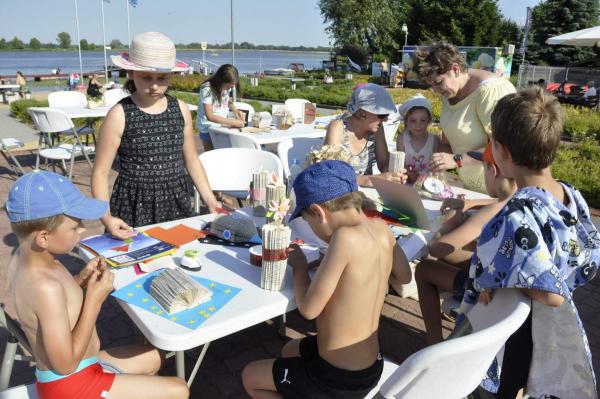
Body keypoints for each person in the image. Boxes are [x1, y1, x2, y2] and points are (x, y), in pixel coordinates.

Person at [458, 87, 599, 398]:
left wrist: (506, 279)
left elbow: (552, 296)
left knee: (507, 386)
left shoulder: (516, 215)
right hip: (544, 329)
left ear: (502, 152)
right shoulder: (569, 193)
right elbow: (587, 253)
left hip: (523, 328)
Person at [5, 170, 189, 399]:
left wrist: (81, 279)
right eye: (75, 227)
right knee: (179, 390)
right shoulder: (44, 286)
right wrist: (94, 300)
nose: (82, 229)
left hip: (86, 366)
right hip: (72, 386)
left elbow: (53, 307)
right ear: (43, 237)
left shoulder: (36, 262)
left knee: (155, 357)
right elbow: (65, 365)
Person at [241, 160, 412, 398]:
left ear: (319, 213)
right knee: (290, 349)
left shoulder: (344, 238)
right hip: (370, 366)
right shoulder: (381, 226)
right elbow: (404, 276)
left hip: (336, 378)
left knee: (250, 376)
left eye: (308, 222)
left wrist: (300, 267)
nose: (311, 228)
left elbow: (309, 310)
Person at [92, 31, 220, 240]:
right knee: (136, 263)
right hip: (134, 204)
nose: (154, 86)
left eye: (162, 78)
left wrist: (210, 200)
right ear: (131, 73)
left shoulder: (180, 109)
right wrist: (106, 218)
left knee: (179, 258)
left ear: (172, 75)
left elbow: (192, 161)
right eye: (146, 77)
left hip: (176, 199)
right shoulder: (119, 114)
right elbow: (100, 172)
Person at [414, 142, 516, 345]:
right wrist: (470, 203)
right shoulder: (523, 196)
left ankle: (434, 345)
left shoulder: (492, 211)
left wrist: (452, 221)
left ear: (492, 170)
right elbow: (501, 201)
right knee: (451, 256)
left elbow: (437, 246)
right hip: (509, 292)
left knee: (425, 268)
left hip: (486, 296)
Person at [416, 43, 515, 193]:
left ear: (455, 69)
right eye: (432, 86)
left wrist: (456, 160)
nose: (436, 91)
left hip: (497, 191)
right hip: (469, 187)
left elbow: (504, 147)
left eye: (438, 83)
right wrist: (440, 166)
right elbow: (448, 139)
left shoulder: (491, 91)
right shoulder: (450, 90)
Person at [324, 83, 407, 187]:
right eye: (382, 115)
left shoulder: (377, 130)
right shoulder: (337, 127)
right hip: (341, 196)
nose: (385, 120)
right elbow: (330, 174)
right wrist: (368, 180)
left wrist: (395, 174)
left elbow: (384, 164)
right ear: (363, 112)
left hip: (366, 195)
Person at [196, 64, 245, 151]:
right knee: (211, 156)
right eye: (228, 86)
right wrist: (234, 122)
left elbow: (227, 101)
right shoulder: (207, 89)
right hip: (207, 128)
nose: (230, 88)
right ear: (221, 80)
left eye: (232, 86)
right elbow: (209, 116)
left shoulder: (227, 87)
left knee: (223, 153)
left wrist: (236, 111)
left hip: (221, 126)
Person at [396, 94, 440, 181]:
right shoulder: (402, 139)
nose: (418, 125)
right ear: (406, 122)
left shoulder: (434, 140)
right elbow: (400, 165)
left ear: (429, 121)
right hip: (407, 182)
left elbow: (436, 167)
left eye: (423, 120)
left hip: (428, 183)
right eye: (413, 121)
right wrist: (408, 172)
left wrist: (424, 177)